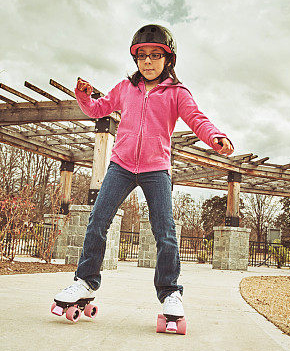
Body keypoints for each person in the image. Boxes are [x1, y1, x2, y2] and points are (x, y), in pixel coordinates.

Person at [52, 24, 234, 324]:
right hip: (121, 166)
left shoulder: (177, 93)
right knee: (97, 221)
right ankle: (84, 281)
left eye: (155, 55)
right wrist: (83, 96)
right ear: (136, 59)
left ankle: (170, 292)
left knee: (165, 231)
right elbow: (99, 109)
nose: (148, 62)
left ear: (168, 60)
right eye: (142, 56)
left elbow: (197, 119)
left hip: (156, 169)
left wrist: (215, 137)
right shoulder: (125, 89)